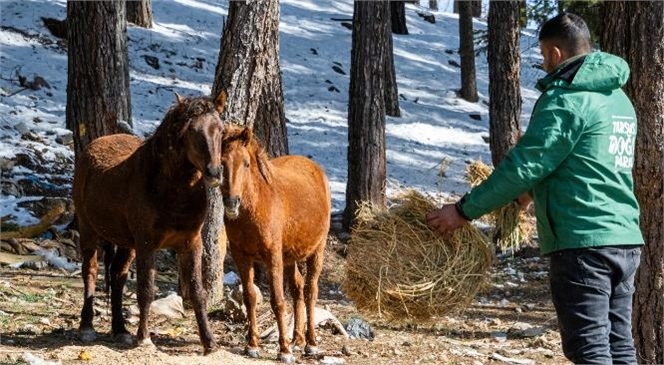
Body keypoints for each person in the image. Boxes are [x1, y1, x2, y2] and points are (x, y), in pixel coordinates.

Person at [426, 12, 644, 365]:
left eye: (543, 55)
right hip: (625, 240)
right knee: (619, 347)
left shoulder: (565, 99)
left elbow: (524, 165)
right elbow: (584, 161)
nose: (543, 64)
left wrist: (463, 210)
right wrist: (532, 193)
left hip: (582, 242)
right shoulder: (618, 99)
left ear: (556, 54)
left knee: (589, 350)